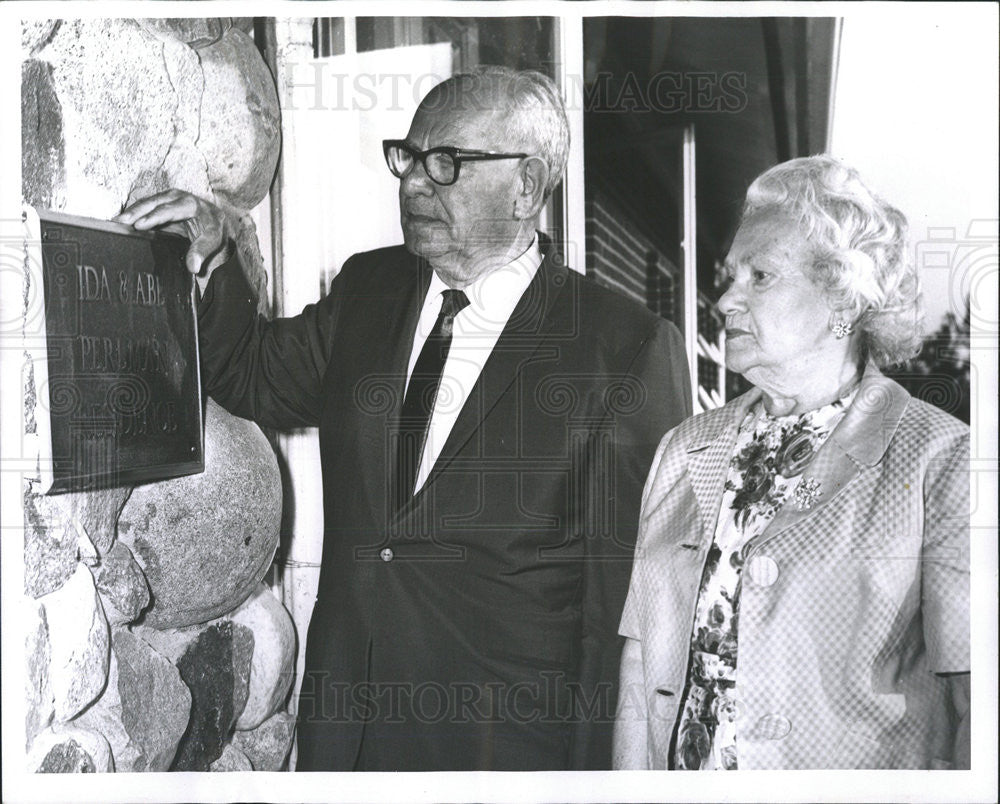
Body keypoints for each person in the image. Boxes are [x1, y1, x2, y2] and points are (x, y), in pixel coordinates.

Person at [117, 66, 691, 771]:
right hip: (349, 739)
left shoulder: (624, 349)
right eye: (409, 158)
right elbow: (255, 378)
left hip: (502, 753)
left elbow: (621, 615)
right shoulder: (369, 288)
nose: (415, 182)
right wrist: (210, 261)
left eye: (447, 162)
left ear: (528, 187)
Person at [612, 155, 970, 770]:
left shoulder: (939, 459)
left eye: (760, 276)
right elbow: (641, 669)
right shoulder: (682, 451)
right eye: (730, 275)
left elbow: (977, 700)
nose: (725, 299)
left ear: (843, 302)